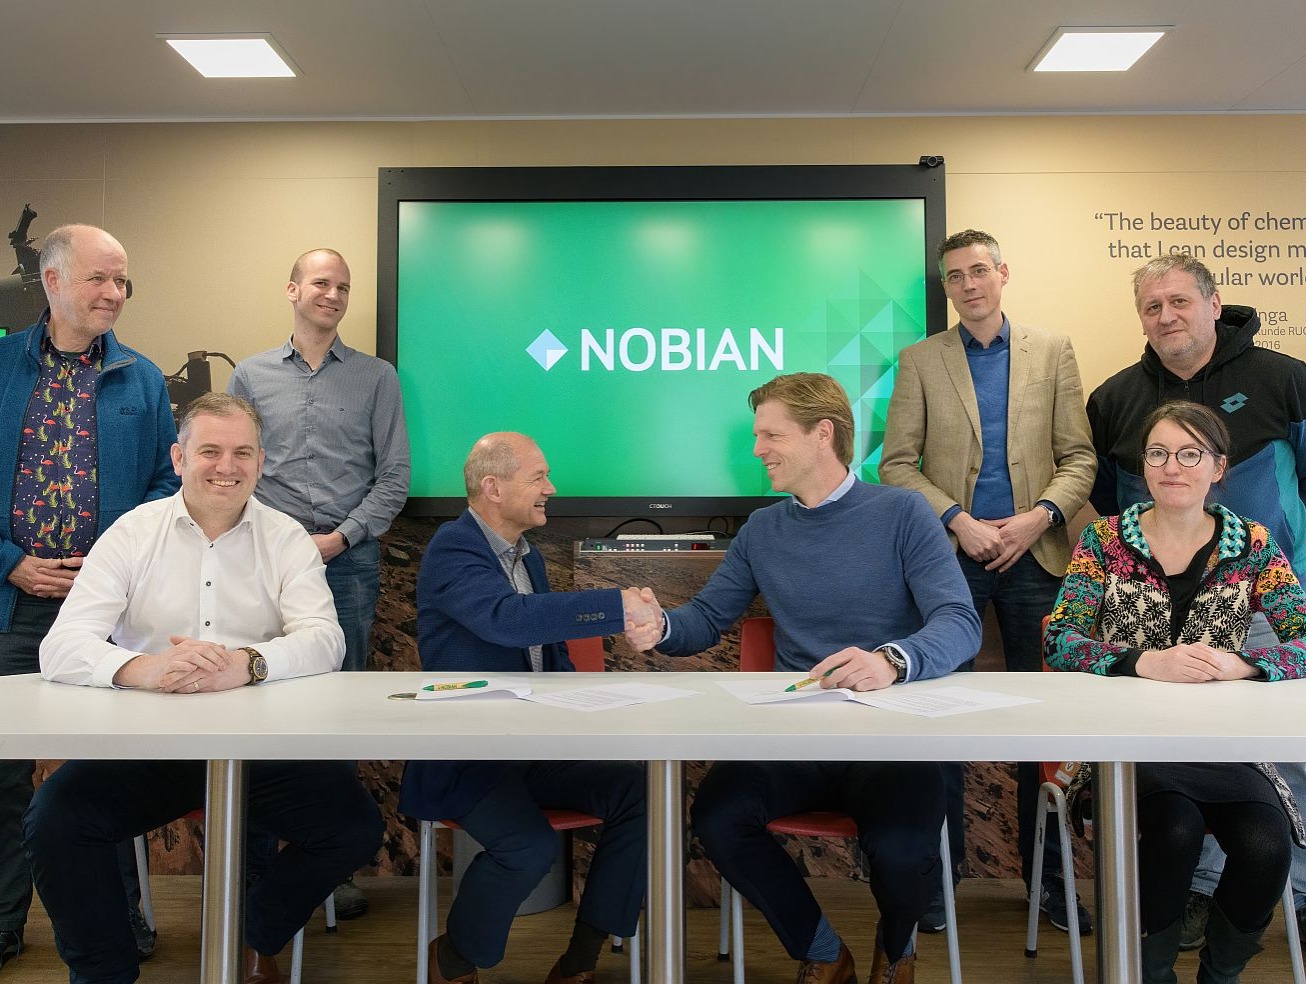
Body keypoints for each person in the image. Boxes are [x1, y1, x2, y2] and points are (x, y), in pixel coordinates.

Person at [627, 372, 982, 984]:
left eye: (771, 435)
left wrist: (890, 661)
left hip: (891, 739)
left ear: (823, 434)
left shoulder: (902, 513)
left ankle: (895, 950)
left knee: (903, 851)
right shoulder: (763, 529)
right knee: (717, 818)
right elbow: (706, 619)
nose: (757, 449)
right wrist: (659, 626)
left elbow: (959, 621)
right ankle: (822, 951)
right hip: (796, 736)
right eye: (756, 436)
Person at [24, 393, 383, 984]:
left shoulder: (287, 538)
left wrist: (246, 664)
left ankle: (251, 937)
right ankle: (104, 974)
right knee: (55, 821)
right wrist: (146, 669)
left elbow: (326, 640)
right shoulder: (132, 533)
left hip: (262, 751)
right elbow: (60, 646)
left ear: (261, 461)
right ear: (179, 457)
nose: (226, 466)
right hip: (149, 749)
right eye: (210, 451)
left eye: (242, 453)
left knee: (354, 827)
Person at [1086, 253, 1306, 981]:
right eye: (1152, 306)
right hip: (1157, 613)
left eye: (1180, 301)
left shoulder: (1286, 378)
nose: (1166, 316)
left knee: (1299, 760)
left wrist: (1252, 543)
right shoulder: (1115, 397)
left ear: (1215, 304)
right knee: (1187, 757)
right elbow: (1117, 501)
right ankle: (1198, 892)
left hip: (1263, 602)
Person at [1045, 399, 1306, 984]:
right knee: (1174, 829)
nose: (1171, 466)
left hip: (1221, 744)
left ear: (1218, 466)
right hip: (1127, 747)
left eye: (1189, 454)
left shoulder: (1252, 544)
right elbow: (1059, 639)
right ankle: (1152, 974)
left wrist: (1243, 664)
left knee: (1267, 843)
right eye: (1158, 453)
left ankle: (1219, 976)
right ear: (1143, 465)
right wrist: (1142, 662)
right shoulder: (1105, 540)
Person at [879, 228, 1096, 935]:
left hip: (1038, 556)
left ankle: (1050, 885)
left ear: (1003, 273)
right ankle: (937, 882)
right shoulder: (920, 360)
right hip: (952, 559)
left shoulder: (1052, 351)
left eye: (978, 270)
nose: (968, 284)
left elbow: (1080, 458)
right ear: (946, 287)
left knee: (1045, 726)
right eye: (955, 276)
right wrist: (958, 520)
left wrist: (1039, 517)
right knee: (939, 718)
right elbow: (896, 465)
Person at [400, 432, 656, 984]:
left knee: (642, 792)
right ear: (493, 487)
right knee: (530, 845)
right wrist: (616, 605)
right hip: (468, 757)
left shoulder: (527, 556)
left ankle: (581, 959)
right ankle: (453, 957)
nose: (551, 488)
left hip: (533, 749)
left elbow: (550, 655)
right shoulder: (452, 549)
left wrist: (594, 708)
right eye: (538, 477)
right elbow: (507, 620)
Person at [0, 224, 178, 970]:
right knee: (3, 774)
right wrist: (12, 563)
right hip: (13, 605)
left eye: (122, 280)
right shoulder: (3, 366)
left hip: (106, 614)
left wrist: (112, 565)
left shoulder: (143, 378)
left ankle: (119, 923)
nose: (114, 293)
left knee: (105, 774)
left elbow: (167, 486)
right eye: (99, 278)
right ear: (52, 281)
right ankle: (4, 925)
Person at [228, 247, 410, 918]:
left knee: (335, 711)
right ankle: (251, 873)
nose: (333, 295)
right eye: (321, 283)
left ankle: (326, 871)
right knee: (252, 702)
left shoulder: (376, 377)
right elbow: (234, 470)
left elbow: (394, 475)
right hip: (262, 561)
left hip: (347, 561)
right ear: (292, 289)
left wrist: (339, 538)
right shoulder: (250, 375)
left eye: (344, 287)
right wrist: (277, 540)